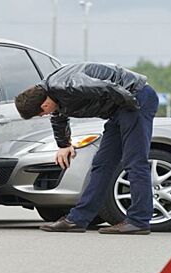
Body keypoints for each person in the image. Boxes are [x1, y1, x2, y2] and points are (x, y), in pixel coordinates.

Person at [15, 62, 159, 235]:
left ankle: (139, 221)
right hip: (120, 108)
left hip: (135, 99)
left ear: (44, 105)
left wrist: (133, 108)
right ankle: (78, 220)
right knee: (101, 164)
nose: (44, 115)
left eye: (41, 114)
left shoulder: (69, 85)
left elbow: (108, 87)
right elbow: (58, 117)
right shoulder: (50, 93)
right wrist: (64, 145)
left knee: (134, 161)